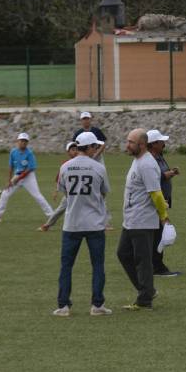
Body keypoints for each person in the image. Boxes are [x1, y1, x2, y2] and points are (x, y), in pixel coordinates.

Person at [52, 131, 113, 317]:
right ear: (90, 147)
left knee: (66, 266)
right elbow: (104, 192)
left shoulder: (65, 167)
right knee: (98, 265)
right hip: (94, 223)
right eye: (95, 146)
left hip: (72, 223)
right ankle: (97, 305)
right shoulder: (98, 167)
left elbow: (64, 191)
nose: (97, 149)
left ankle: (63, 306)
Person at [118, 128, 166, 310]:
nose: (127, 145)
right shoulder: (138, 160)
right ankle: (147, 290)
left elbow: (156, 194)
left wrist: (164, 217)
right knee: (123, 253)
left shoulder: (146, 164)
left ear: (143, 145)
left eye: (131, 142)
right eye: (128, 141)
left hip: (142, 220)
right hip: (131, 219)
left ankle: (145, 299)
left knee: (142, 260)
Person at [0, 133, 54, 222]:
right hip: (17, 175)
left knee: (37, 196)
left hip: (28, 177)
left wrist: (18, 178)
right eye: (21, 140)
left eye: (25, 141)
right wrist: (9, 180)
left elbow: (29, 169)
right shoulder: (13, 152)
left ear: (27, 143)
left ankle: (52, 215)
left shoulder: (29, 153)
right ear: (18, 141)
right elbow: (11, 167)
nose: (23, 143)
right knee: (5, 194)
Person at [147, 130, 180, 277]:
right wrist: (169, 174)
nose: (164, 144)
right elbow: (156, 176)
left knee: (158, 234)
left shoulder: (159, 156)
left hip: (163, 200)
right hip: (156, 202)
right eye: (161, 142)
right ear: (153, 144)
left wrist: (171, 172)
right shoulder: (149, 159)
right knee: (158, 235)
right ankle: (157, 267)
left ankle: (155, 265)